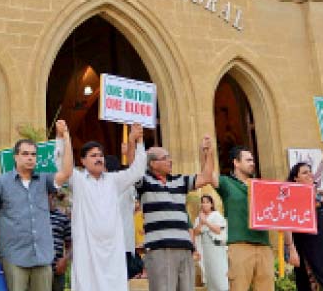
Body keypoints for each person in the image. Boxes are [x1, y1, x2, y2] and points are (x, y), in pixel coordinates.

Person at [0, 121, 73, 291]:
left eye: (33, 154)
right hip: (15, 256)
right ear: (15, 157)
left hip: (42, 256)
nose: (30, 157)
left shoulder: (44, 179)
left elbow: (66, 173)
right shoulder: (2, 182)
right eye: (25, 154)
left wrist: (66, 137)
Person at [68, 123, 146, 291]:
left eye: (101, 155)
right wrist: (64, 138)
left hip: (113, 251)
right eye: (93, 155)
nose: (98, 158)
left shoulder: (113, 180)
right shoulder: (79, 181)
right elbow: (65, 167)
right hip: (88, 250)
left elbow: (138, 171)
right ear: (83, 160)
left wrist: (139, 142)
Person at [137, 135, 216, 291]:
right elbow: (134, 166)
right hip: (160, 250)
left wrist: (208, 153)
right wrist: (136, 140)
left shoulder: (179, 180)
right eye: (165, 158)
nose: (170, 161)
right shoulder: (143, 181)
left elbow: (206, 177)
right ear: (153, 163)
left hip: (184, 249)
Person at [214, 146, 272, 291]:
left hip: (264, 245)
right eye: (248, 160)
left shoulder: (261, 186)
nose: (252, 163)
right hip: (240, 245)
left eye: (253, 160)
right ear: (236, 163)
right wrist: (207, 154)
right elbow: (209, 176)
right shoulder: (227, 183)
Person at [285, 162, 323, 291]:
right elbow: (287, 226)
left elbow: (322, 227)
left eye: (310, 171)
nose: (309, 175)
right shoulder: (291, 198)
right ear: (295, 179)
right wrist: (291, 249)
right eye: (304, 172)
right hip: (307, 252)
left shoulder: (319, 198)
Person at [192, 194, 228, 291]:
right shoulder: (198, 218)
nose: (204, 204)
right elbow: (195, 232)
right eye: (203, 202)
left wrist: (206, 222)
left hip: (216, 249)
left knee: (219, 274)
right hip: (205, 250)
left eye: (207, 202)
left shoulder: (216, 215)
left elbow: (218, 230)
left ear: (211, 204)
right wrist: (201, 222)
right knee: (209, 274)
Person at [48, 192, 71, 291]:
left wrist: (64, 260)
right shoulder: (36, 217)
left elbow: (70, 244)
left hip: (57, 268)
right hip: (38, 268)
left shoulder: (63, 218)